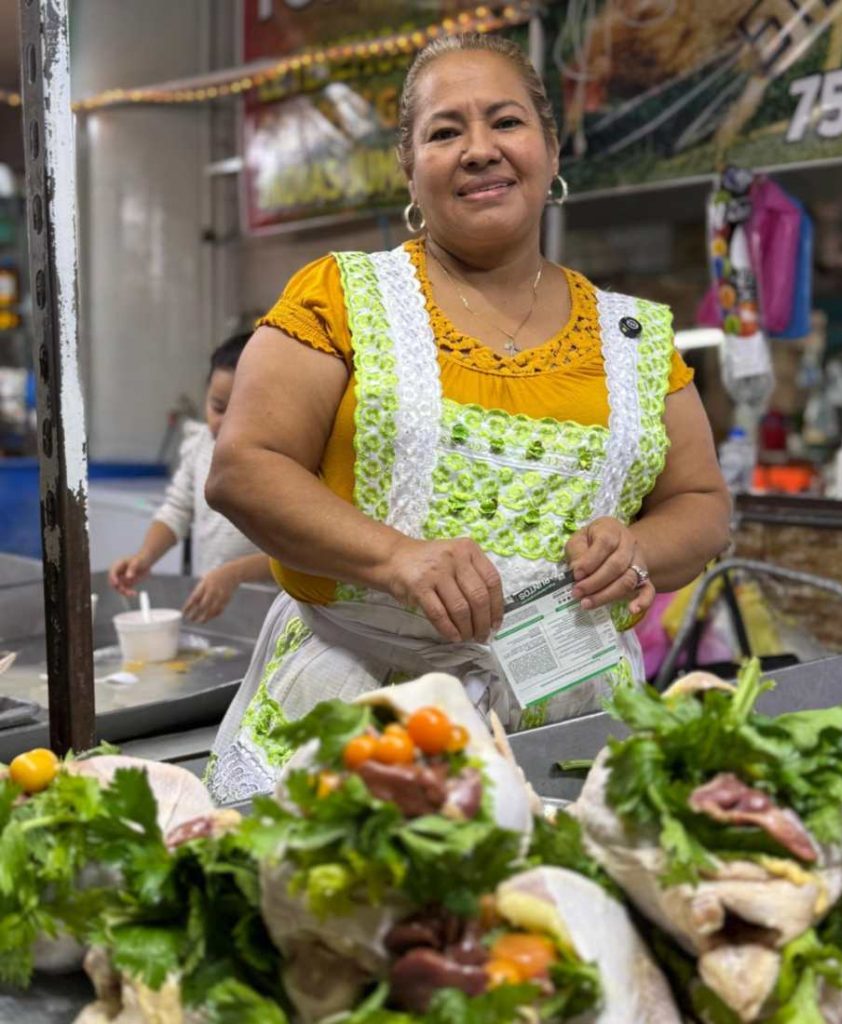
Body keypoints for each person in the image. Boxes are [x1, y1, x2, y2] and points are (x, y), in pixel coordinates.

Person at [203, 34, 731, 804]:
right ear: (409, 166)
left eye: (505, 123)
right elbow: (245, 467)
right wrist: (395, 560)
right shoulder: (340, 297)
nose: (479, 150)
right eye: (445, 131)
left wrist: (637, 547)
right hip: (357, 728)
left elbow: (703, 505)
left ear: (550, 151)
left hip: (567, 740)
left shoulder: (635, 339)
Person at [109, 334, 274, 623]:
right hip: (216, 602)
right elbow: (177, 510)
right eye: (218, 407)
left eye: (240, 410)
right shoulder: (200, 447)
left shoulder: (282, 458)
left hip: (272, 610)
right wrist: (144, 558)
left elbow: (301, 556)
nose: (224, 421)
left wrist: (234, 574)